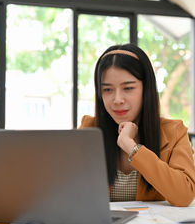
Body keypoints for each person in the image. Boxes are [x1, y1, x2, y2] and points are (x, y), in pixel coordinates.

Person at [79, 43, 195, 207]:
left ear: (146, 89)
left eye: (128, 88)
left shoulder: (174, 132)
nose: (117, 99)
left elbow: (184, 196)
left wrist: (132, 148)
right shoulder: (89, 129)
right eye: (107, 90)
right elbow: (71, 192)